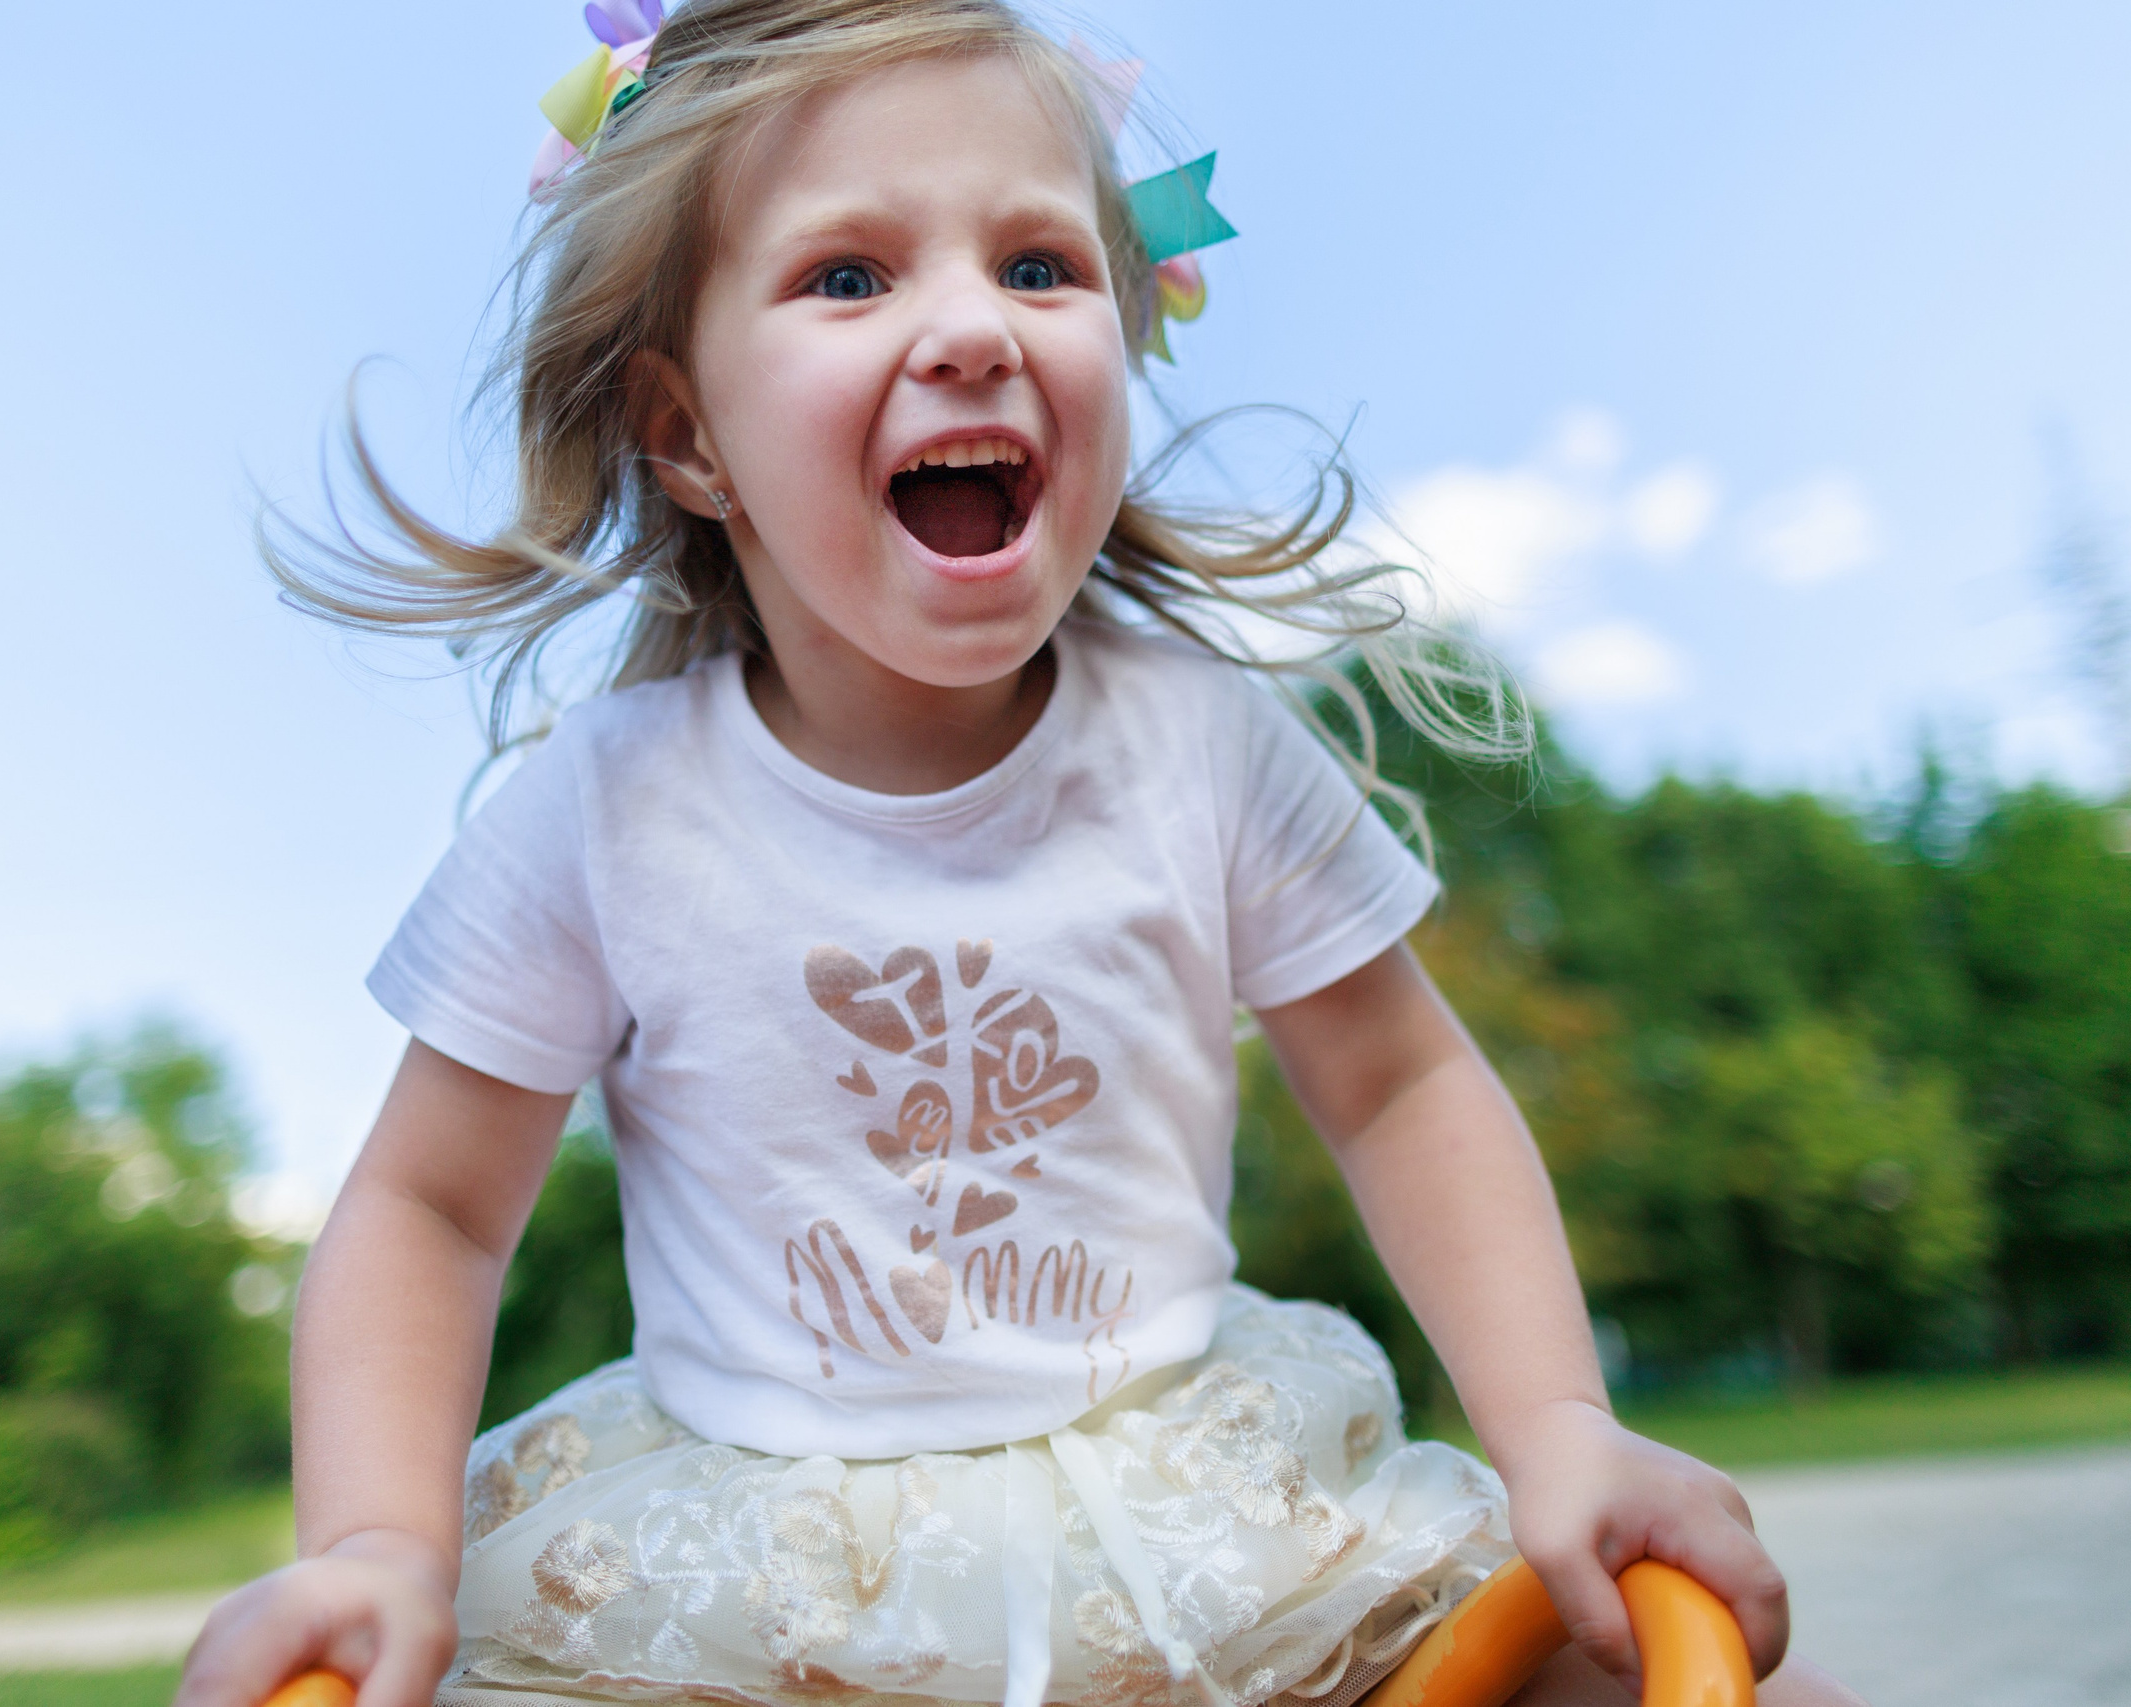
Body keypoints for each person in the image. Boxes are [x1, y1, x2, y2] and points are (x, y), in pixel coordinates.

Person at [178, 2, 1862, 1703]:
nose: (973, 326)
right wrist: (376, 1548)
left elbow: (1402, 1087)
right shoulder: (607, 811)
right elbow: (429, 1208)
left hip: (1203, 1527)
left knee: (1691, 1670)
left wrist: (1559, 1426)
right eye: (850, 277)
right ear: (687, 435)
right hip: (762, 1591)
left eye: (1040, 266)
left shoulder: (1194, 744)